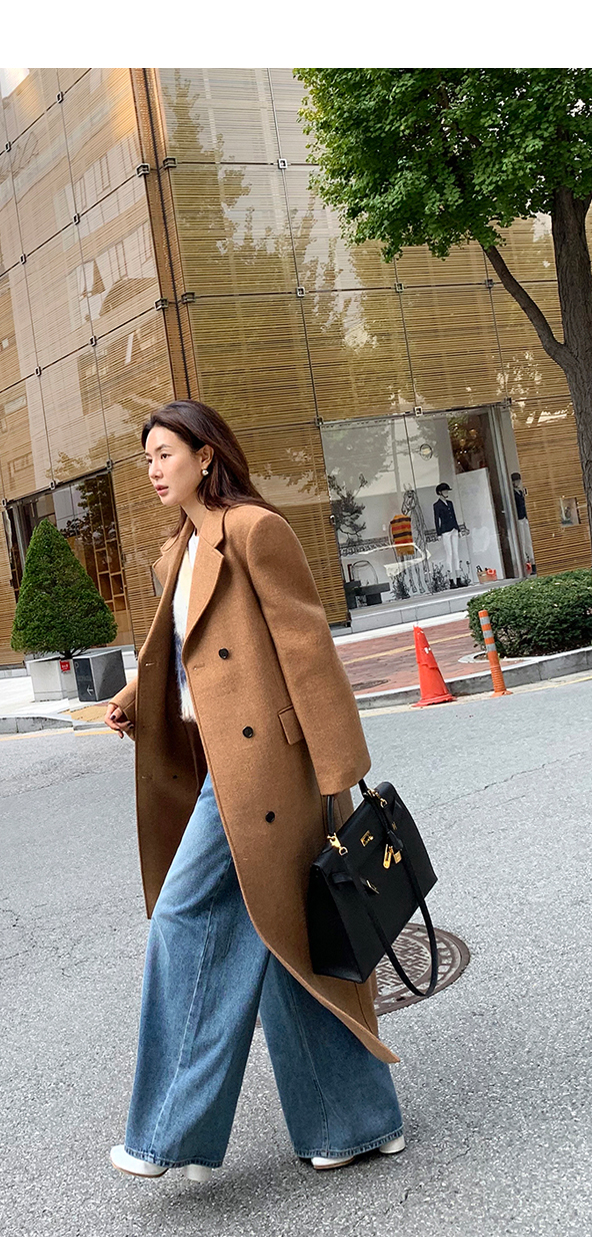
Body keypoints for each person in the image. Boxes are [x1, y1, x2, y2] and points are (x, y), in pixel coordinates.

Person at [102, 404, 405, 1186]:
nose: (154, 469)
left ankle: (165, 1133)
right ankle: (355, 1121)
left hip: (273, 770)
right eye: (146, 458)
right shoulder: (179, 548)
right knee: (286, 938)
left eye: (165, 453)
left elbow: (308, 651)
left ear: (206, 456)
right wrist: (136, 697)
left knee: (183, 917)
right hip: (219, 765)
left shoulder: (255, 530)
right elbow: (185, 655)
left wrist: (338, 778)